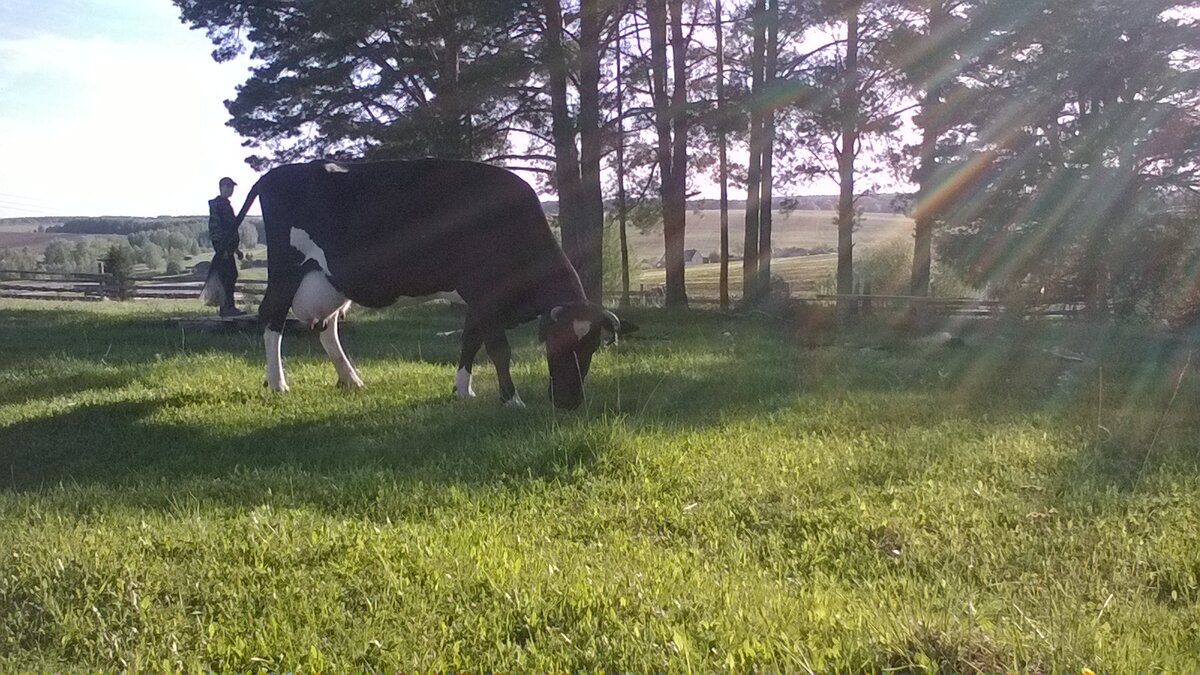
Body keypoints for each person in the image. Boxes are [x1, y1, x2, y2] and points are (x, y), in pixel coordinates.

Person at [205, 176, 246, 317]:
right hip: (223, 248)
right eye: (228, 187)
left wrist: (235, 249)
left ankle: (228, 307)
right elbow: (217, 229)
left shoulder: (225, 205)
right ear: (221, 188)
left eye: (232, 187)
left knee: (230, 275)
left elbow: (230, 229)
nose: (230, 190)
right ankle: (226, 308)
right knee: (228, 276)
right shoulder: (218, 205)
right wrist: (221, 249)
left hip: (227, 248)